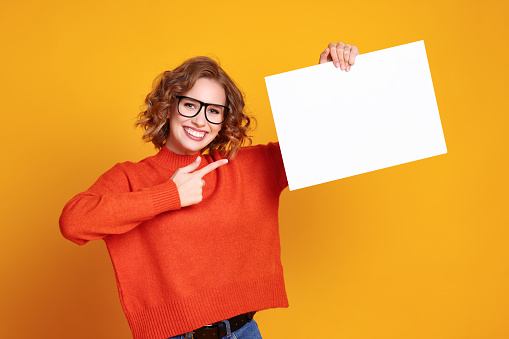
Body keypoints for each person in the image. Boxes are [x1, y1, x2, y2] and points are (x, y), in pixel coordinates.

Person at [59, 41, 359, 339]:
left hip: (244, 333)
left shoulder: (248, 166)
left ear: (223, 121)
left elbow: (319, 148)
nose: (201, 120)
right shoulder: (130, 176)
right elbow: (73, 223)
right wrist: (169, 195)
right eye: (190, 105)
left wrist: (325, 81)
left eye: (214, 111)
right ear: (168, 107)